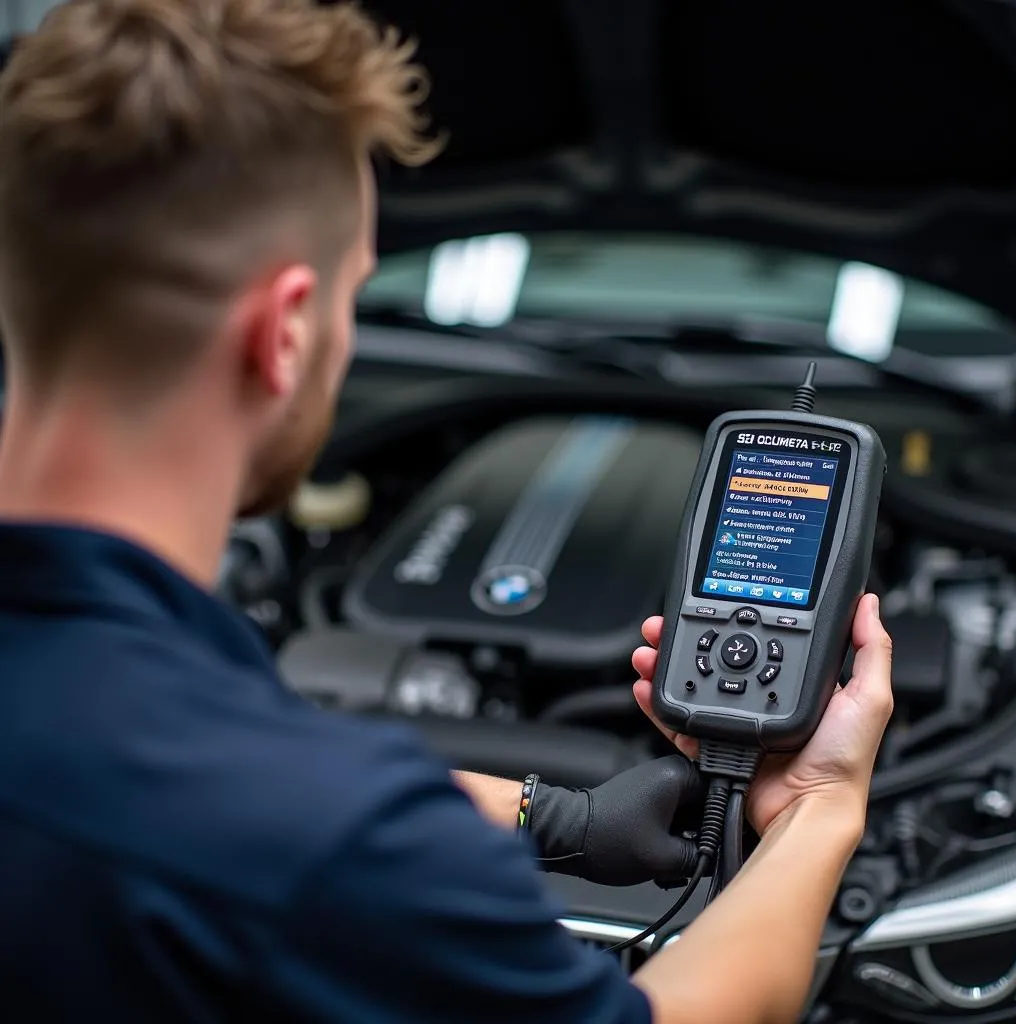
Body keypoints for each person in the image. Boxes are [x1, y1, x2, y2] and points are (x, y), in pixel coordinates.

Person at [0, 1, 893, 1022]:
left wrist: (552, 819)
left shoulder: (174, 742)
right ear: (287, 330)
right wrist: (822, 810)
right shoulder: (330, 851)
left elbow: (189, 732)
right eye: (353, 297)